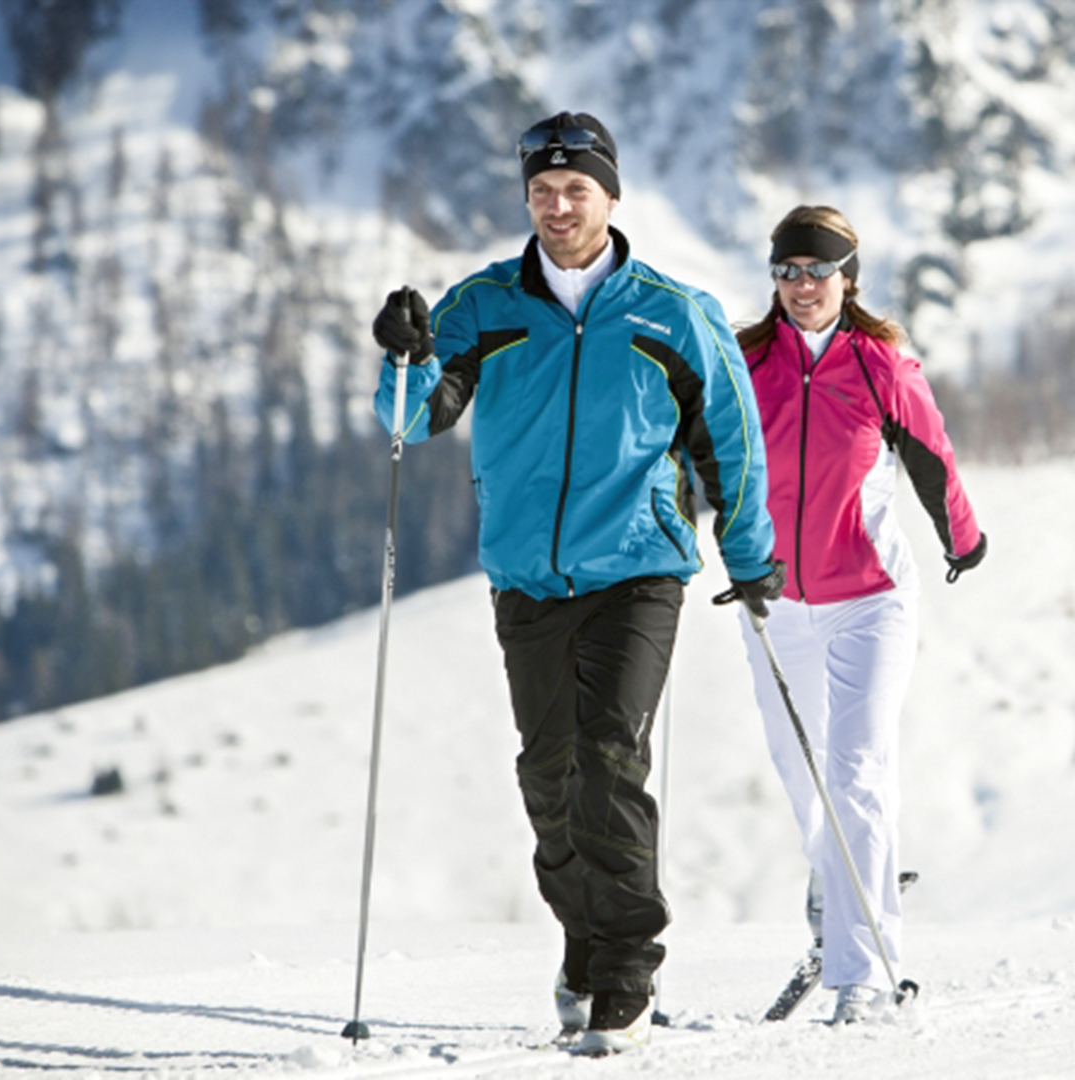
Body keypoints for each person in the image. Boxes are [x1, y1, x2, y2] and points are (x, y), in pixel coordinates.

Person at [369, 111, 783, 1055]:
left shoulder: (673, 313)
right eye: (543, 191)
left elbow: (730, 441)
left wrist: (750, 555)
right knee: (548, 776)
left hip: (639, 570)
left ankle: (628, 966)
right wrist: (403, 356)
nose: (559, 206)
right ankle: (583, 940)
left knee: (608, 756)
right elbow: (413, 420)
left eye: (577, 189)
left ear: (611, 196)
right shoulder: (483, 306)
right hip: (527, 575)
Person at [732, 205, 986, 1025]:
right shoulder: (746, 363)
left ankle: (866, 974)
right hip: (776, 606)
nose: (802, 285)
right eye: (788, 271)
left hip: (871, 601)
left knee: (858, 774)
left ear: (849, 278)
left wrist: (963, 537)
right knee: (804, 776)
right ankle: (835, 889)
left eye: (819, 271)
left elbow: (932, 456)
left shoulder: (882, 367)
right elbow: (701, 450)